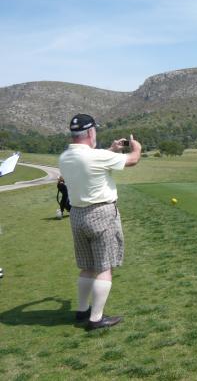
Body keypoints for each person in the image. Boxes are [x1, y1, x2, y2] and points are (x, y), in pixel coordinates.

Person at [59, 113, 141, 330]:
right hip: (101, 213)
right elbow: (132, 160)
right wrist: (136, 147)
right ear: (90, 132)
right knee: (104, 267)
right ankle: (96, 318)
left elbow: (90, 159)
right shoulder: (96, 157)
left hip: (77, 215)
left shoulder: (65, 156)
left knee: (87, 266)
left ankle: (82, 309)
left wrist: (111, 150)